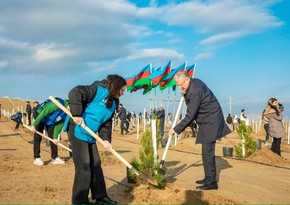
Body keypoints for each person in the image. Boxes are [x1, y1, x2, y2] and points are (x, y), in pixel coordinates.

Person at [66, 74, 126, 204]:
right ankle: (79, 200)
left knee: (96, 163)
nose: (123, 93)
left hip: (90, 134)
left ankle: (101, 196)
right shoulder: (98, 90)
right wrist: (76, 114)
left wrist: (105, 139)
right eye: (122, 90)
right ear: (116, 86)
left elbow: (106, 123)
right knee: (84, 164)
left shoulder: (114, 102)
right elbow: (75, 92)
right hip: (77, 129)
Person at [168, 70, 230, 191]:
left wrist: (176, 129)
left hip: (211, 121)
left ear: (187, 79)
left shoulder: (194, 91)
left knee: (208, 152)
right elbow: (192, 98)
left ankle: (211, 182)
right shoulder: (194, 83)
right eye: (178, 85)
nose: (180, 87)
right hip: (208, 119)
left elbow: (190, 115)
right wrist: (185, 93)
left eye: (181, 85)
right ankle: (208, 178)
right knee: (205, 152)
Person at [31, 98, 67, 165]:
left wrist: (55, 137)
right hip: (40, 114)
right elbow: (44, 113)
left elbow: (59, 124)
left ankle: (54, 157)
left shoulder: (68, 112)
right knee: (38, 136)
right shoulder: (58, 103)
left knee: (53, 137)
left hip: (49, 120)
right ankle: (36, 158)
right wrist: (34, 124)